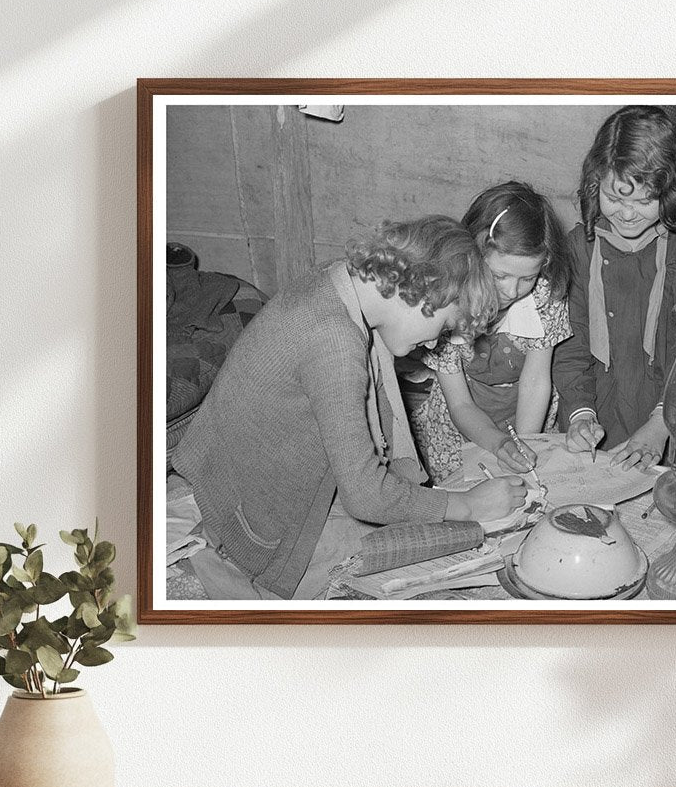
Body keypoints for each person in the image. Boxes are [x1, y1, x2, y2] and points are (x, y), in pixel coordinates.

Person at [173, 216, 527, 599]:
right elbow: (366, 496)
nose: (432, 345)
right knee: (414, 552)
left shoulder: (339, 278)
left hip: (221, 473)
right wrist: (468, 505)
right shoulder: (336, 343)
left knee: (405, 524)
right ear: (425, 292)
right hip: (238, 514)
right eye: (442, 329)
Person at [553, 105, 676, 469]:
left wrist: (662, 424)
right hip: (600, 411)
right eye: (614, 198)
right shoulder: (579, 247)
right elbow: (571, 345)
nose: (627, 213)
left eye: (644, 201)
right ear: (594, 182)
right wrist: (580, 415)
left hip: (675, 416)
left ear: (673, 191)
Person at [412, 181, 572, 482]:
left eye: (528, 278)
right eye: (500, 275)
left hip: (525, 416)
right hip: (459, 423)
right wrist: (498, 443)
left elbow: (536, 381)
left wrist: (523, 444)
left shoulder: (544, 298)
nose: (512, 291)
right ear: (474, 253)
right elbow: (460, 403)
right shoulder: (448, 301)